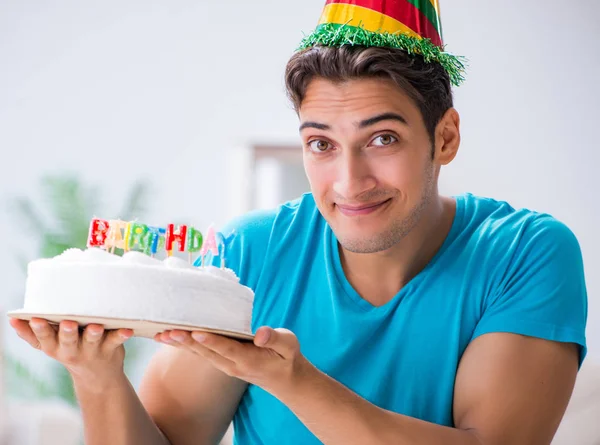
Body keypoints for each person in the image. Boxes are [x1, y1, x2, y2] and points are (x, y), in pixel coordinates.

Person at [9, 1, 588, 444]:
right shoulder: (252, 254)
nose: (348, 180)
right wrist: (96, 375)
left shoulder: (525, 253)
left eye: (381, 138)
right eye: (321, 144)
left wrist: (293, 381)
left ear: (446, 137)